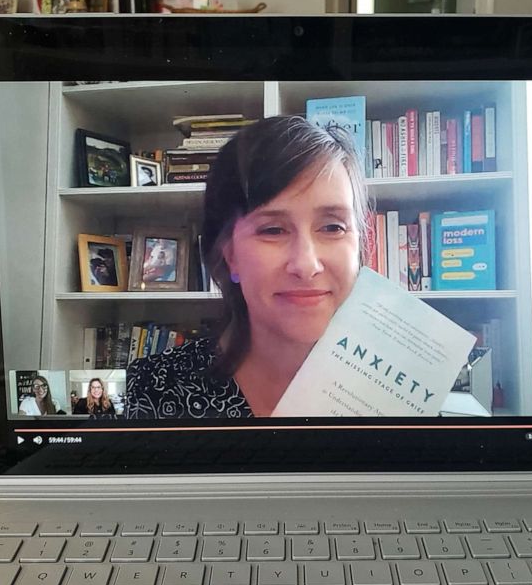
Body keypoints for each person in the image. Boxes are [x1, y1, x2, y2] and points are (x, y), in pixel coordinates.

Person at [125, 115, 369, 419]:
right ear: (229, 255)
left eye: (333, 227)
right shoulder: (157, 390)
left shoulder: (407, 390)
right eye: (273, 230)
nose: (306, 265)